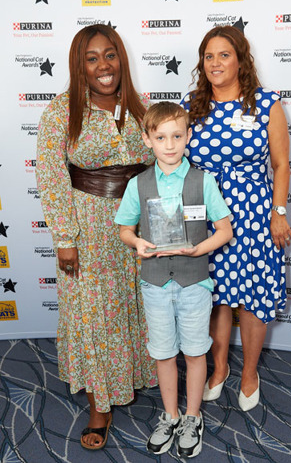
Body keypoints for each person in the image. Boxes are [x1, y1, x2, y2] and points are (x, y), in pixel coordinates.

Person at [36, 24, 157, 450]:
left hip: (138, 229)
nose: (103, 65)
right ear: (79, 66)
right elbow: (51, 177)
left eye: (110, 55)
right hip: (88, 231)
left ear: (121, 58)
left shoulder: (139, 108)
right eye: (92, 58)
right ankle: (98, 406)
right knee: (92, 315)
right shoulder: (62, 111)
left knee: (133, 305)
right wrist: (65, 237)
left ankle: (130, 377)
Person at [181, 25, 291, 412]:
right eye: (209, 56)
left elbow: (280, 165)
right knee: (214, 297)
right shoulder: (191, 104)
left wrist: (278, 213)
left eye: (224, 55)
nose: (215, 63)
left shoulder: (264, 102)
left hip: (254, 212)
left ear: (240, 59)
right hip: (206, 214)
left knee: (253, 295)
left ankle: (249, 373)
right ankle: (219, 368)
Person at [115, 102, 233, 458]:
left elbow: (224, 231)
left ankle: (192, 417)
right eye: (161, 137)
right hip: (154, 283)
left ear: (188, 137)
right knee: (164, 354)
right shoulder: (138, 184)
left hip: (195, 282)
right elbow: (124, 229)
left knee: (196, 352)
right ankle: (170, 414)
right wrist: (137, 242)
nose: (169, 144)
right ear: (147, 139)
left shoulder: (203, 180)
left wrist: (199, 251)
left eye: (177, 136)